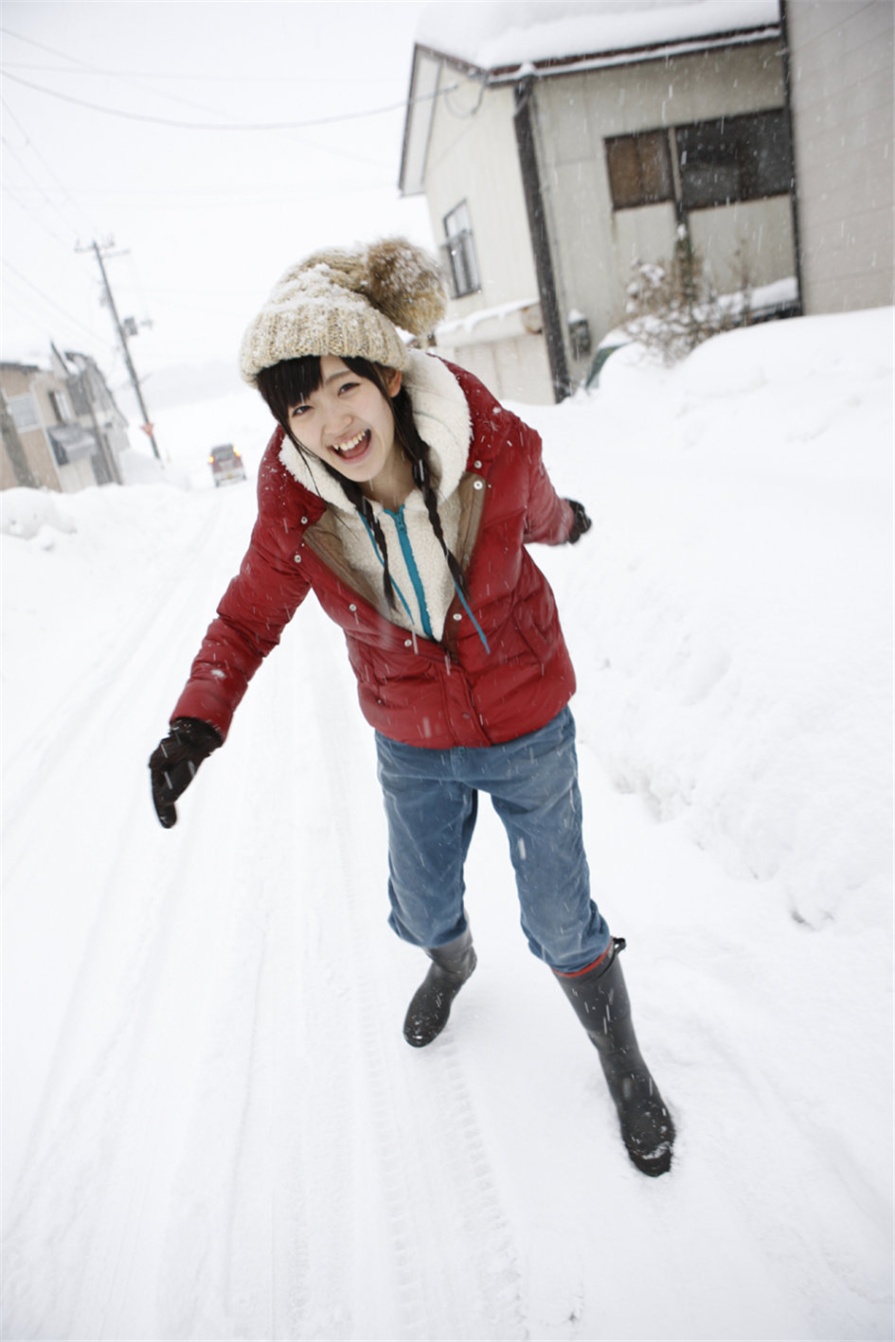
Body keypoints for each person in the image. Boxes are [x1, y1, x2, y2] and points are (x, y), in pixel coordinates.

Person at [149, 238, 675, 1177]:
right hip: (411, 743)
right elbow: (245, 619)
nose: (331, 422)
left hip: (525, 726)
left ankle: (622, 1061)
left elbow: (540, 509)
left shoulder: (497, 446)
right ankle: (449, 962)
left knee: (561, 921)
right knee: (423, 907)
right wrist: (196, 723)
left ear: (387, 374)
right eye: (301, 407)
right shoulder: (291, 506)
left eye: (342, 386)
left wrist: (570, 523)